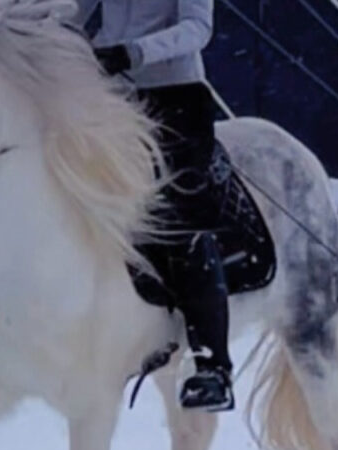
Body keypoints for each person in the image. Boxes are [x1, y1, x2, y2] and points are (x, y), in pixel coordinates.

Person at [73, 0, 234, 412]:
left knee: (179, 221)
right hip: (110, 98)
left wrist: (134, 51)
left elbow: (198, 28)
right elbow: (69, 11)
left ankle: (212, 365)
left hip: (174, 96)